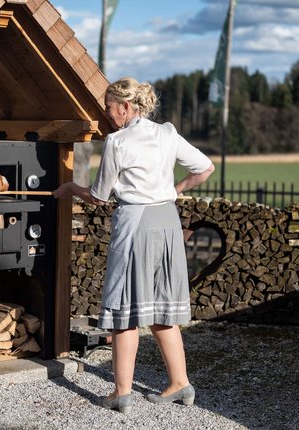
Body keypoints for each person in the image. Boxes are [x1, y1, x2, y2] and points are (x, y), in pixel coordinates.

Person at [53, 77, 215, 414]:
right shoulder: (168, 133)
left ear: (126, 107)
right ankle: (180, 383)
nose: (109, 116)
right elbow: (205, 168)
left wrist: (70, 187)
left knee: (125, 309)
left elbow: (98, 196)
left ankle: (121, 392)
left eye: (111, 110)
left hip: (135, 223)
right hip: (168, 222)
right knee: (161, 308)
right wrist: (175, 190)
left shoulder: (117, 141)